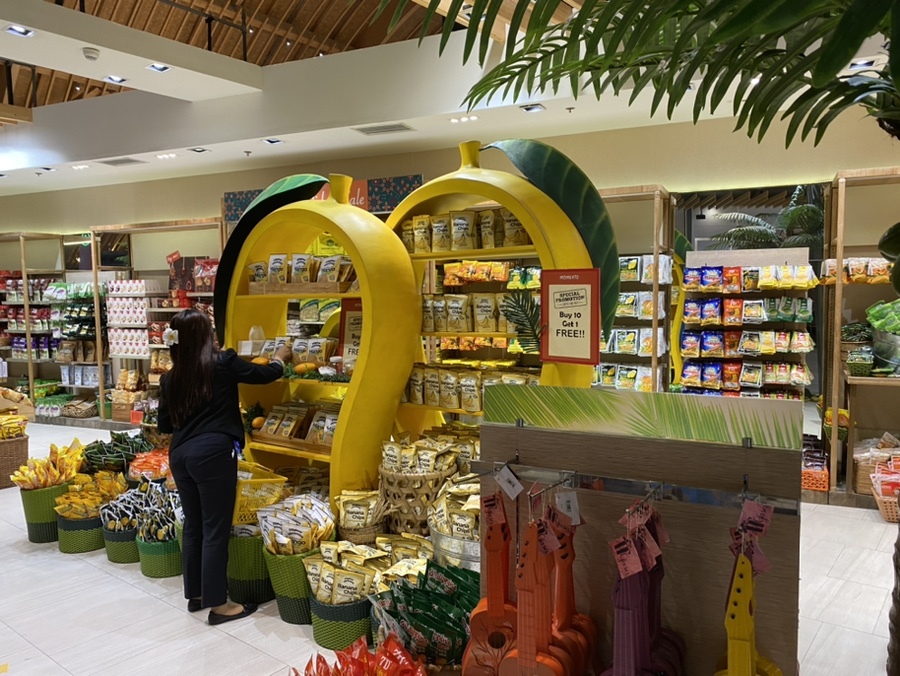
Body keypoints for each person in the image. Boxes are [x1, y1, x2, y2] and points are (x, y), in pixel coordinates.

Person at [157, 308, 291, 625]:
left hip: (180, 456)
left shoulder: (170, 377)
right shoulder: (222, 363)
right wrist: (280, 358)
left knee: (194, 525)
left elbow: (164, 425)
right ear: (206, 336)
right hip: (213, 454)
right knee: (215, 529)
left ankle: (197, 595)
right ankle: (219, 605)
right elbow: (264, 375)